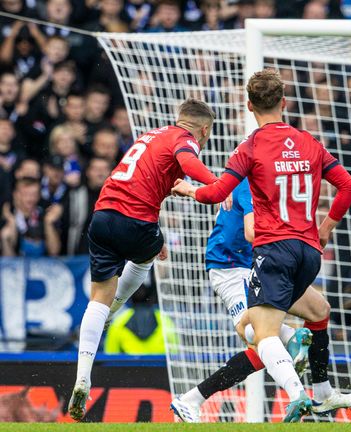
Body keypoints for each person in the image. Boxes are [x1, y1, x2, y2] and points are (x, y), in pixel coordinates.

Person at [171, 69, 351, 422]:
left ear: (248, 105)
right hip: (280, 257)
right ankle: (321, 389)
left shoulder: (250, 154)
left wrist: (189, 189)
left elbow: (248, 228)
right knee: (318, 312)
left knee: (260, 335)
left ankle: (296, 393)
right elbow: (348, 186)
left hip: (268, 255)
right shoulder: (309, 142)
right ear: (284, 103)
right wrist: (326, 226)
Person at [68, 98, 220, 421]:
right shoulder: (185, 140)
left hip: (103, 215)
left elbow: (141, 182)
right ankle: (114, 308)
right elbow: (189, 162)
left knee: (97, 296)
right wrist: (217, 184)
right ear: (204, 130)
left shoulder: (151, 135)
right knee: (143, 260)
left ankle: (83, 375)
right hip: (135, 221)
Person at [170, 177, 351, 423]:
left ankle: (322, 392)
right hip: (231, 267)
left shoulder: (275, 181)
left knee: (319, 310)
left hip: (263, 263)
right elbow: (251, 233)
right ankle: (293, 386)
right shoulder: (252, 182)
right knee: (257, 334)